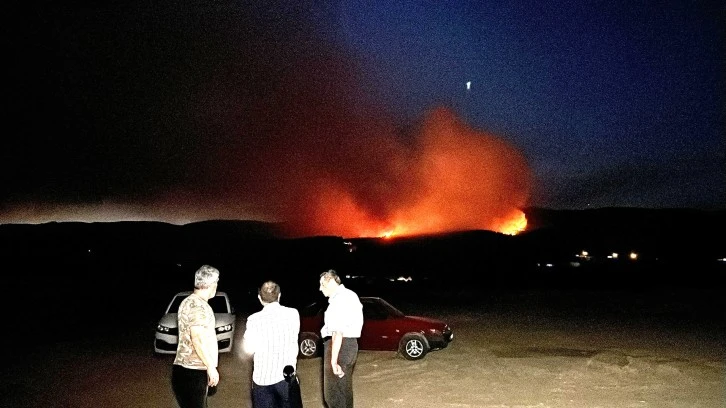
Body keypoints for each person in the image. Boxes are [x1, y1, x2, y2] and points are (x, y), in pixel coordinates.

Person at [243, 280, 302, 408]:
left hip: (262, 381)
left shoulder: (253, 320)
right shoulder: (293, 314)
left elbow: (248, 349)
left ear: (259, 298)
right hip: (286, 380)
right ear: (279, 295)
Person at [171, 265, 221, 408]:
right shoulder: (196, 306)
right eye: (216, 282)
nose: (216, 286)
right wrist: (211, 367)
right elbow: (197, 339)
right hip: (192, 372)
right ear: (211, 284)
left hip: (189, 371)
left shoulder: (191, 301)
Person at [318, 269, 363, 408]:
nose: (320, 289)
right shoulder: (350, 295)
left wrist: (333, 360)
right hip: (348, 345)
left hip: (340, 346)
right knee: (343, 392)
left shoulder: (340, 299)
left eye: (322, 284)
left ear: (330, 281)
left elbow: (338, 331)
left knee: (334, 396)